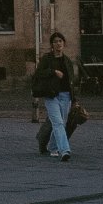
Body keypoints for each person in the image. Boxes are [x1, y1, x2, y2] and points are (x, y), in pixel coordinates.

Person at [32, 31, 83, 160]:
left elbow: (71, 82)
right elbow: (38, 74)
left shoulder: (67, 60)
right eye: (55, 41)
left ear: (64, 43)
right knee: (58, 123)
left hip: (66, 96)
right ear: (52, 45)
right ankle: (65, 150)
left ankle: (53, 147)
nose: (58, 43)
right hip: (51, 95)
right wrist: (53, 72)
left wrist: (74, 99)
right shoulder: (47, 59)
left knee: (62, 123)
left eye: (60, 41)